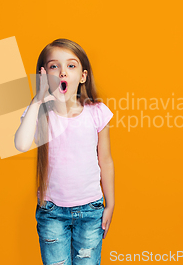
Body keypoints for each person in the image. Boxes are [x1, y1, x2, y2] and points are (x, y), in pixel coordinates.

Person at [14, 38, 115, 265]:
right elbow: (21, 144)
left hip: (90, 212)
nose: (62, 72)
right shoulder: (40, 113)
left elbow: (105, 161)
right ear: (43, 75)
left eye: (70, 65)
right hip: (52, 214)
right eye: (53, 66)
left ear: (83, 76)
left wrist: (110, 204)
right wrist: (38, 99)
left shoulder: (97, 112)